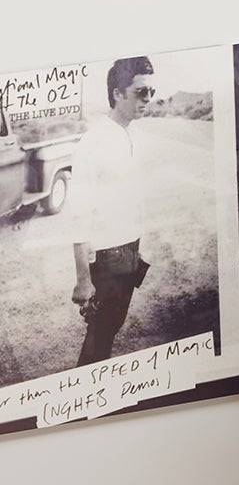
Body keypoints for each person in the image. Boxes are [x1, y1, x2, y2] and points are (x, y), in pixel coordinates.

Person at [73, 58, 155, 365]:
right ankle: (83, 406)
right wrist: (83, 279)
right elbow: (78, 215)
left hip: (128, 251)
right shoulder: (93, 143)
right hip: (108, 258)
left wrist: (139, 248)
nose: (148, 99)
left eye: (151, 91)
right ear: (118, 93)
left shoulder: (132, 133)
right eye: (140, 92)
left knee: (108, 332)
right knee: (99, 339)